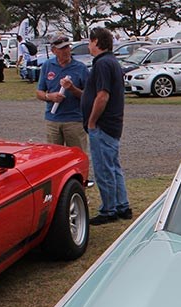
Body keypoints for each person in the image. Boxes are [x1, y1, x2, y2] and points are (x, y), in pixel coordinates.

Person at [78, 26, 131, 225]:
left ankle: (109, 208)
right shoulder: (112, 62)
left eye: (90, 42)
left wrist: (92, 121)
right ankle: (122, 205)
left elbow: (103, 95)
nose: (89, 46)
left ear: (97, 42)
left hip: (103, 126)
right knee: (114, 166)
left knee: (104, 168)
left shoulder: (102, 64)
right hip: (112, 125)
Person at [36, 33, 89, 157]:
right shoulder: (47, 66)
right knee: (53, 157)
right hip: (53, 120)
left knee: (77, 156)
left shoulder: (80, 68)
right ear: (54, 50)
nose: (66, 51)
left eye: (67, 47)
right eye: (62, 48)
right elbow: (39, 92)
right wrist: (50, 97)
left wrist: (72, 88)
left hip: (74, 120)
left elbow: (88, 96)